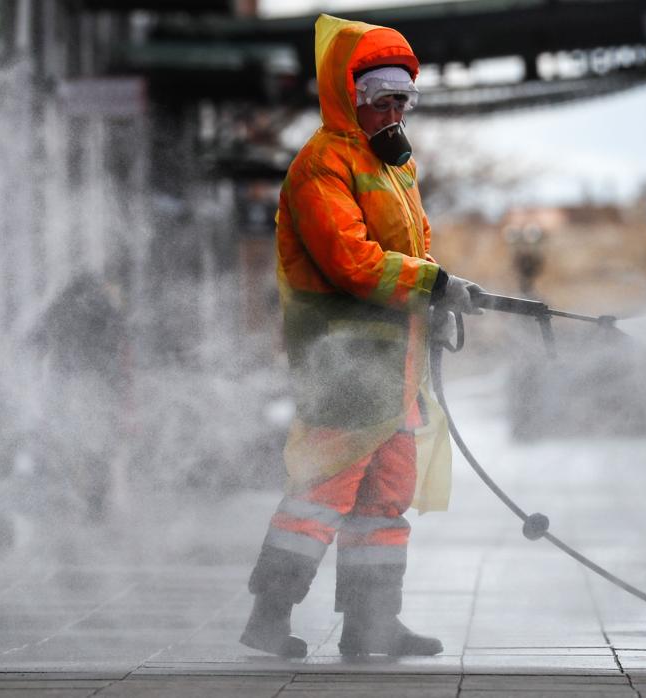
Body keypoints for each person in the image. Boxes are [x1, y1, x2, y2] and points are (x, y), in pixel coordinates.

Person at [240, 14, 483, 659]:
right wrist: (434, 284)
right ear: (354, 97)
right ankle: (270, 615)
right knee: (322, 491)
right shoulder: (322, 166)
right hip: (342, 358)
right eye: (385, 101)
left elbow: (409, 252)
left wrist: (437, 291)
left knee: (384, 498)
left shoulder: (391, 165)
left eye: (405, 101)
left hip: (392, 360)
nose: (397, 114)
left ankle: (372, 624)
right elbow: (350, 261)